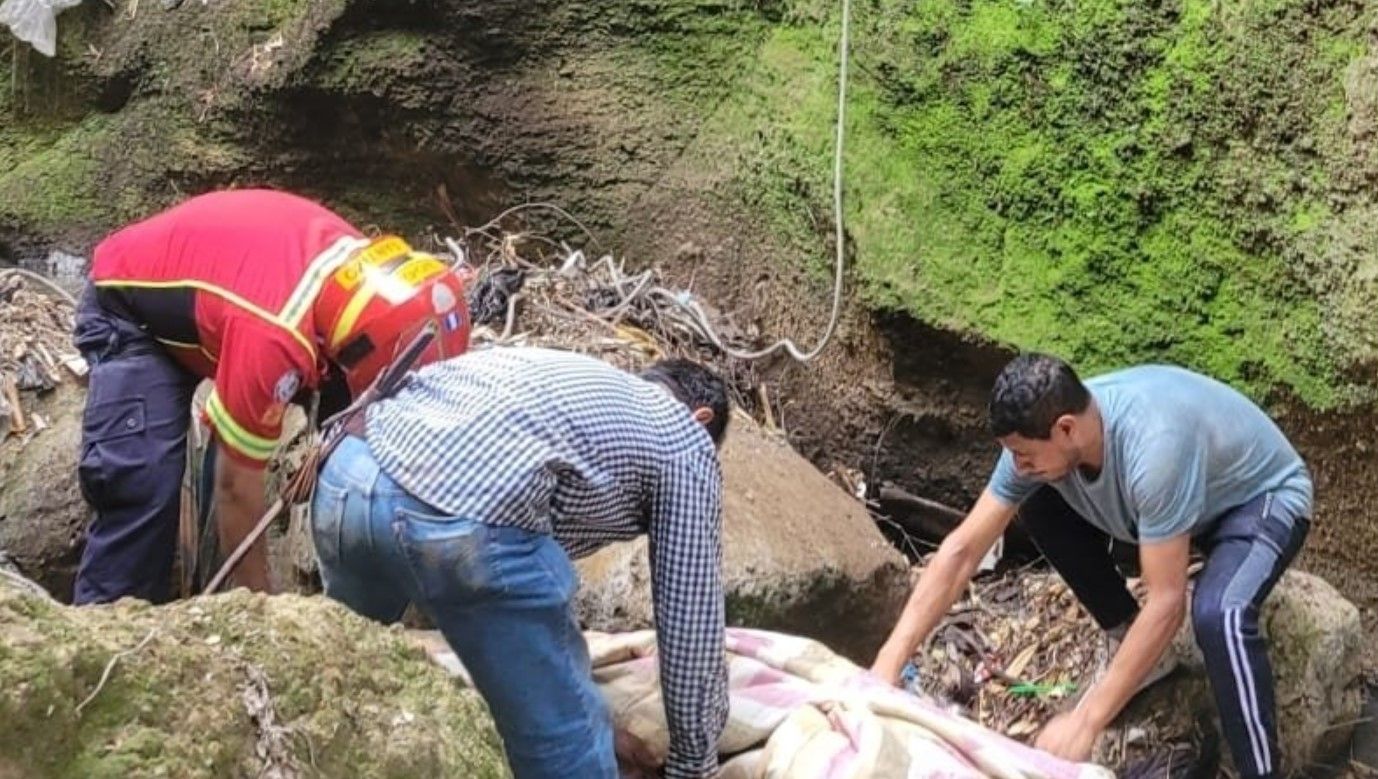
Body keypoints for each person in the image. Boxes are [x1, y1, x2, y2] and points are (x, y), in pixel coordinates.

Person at [871, 353, 1311, 778]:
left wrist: (1086, 721)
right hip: (1175, 512)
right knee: (1037, 501)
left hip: (1260, 502)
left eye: (1024, 454)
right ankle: (1126, 637)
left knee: (1221, 614)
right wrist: (889, 661)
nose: (1017, 465)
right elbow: (964, 550)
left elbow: (1167, 603)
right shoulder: (1050, 443)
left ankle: (1262, 772)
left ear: (1065, 428)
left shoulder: (1154, 447)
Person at [310, 346, 731, 779]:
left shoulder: (579, 383)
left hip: (346, 474)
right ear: (700, 419)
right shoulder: (686, 439)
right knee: (570, 742)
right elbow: (691, 619)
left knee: (339, 674)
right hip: (457, 522)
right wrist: (692, 765)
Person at [73, 188, 472, 604]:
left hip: (221, 298)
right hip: (130, 311)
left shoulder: (368, 282)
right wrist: (264, 611)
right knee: (143, 485)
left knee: (348, 446)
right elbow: (235, 485)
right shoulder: (275, 336)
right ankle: (105, 623)